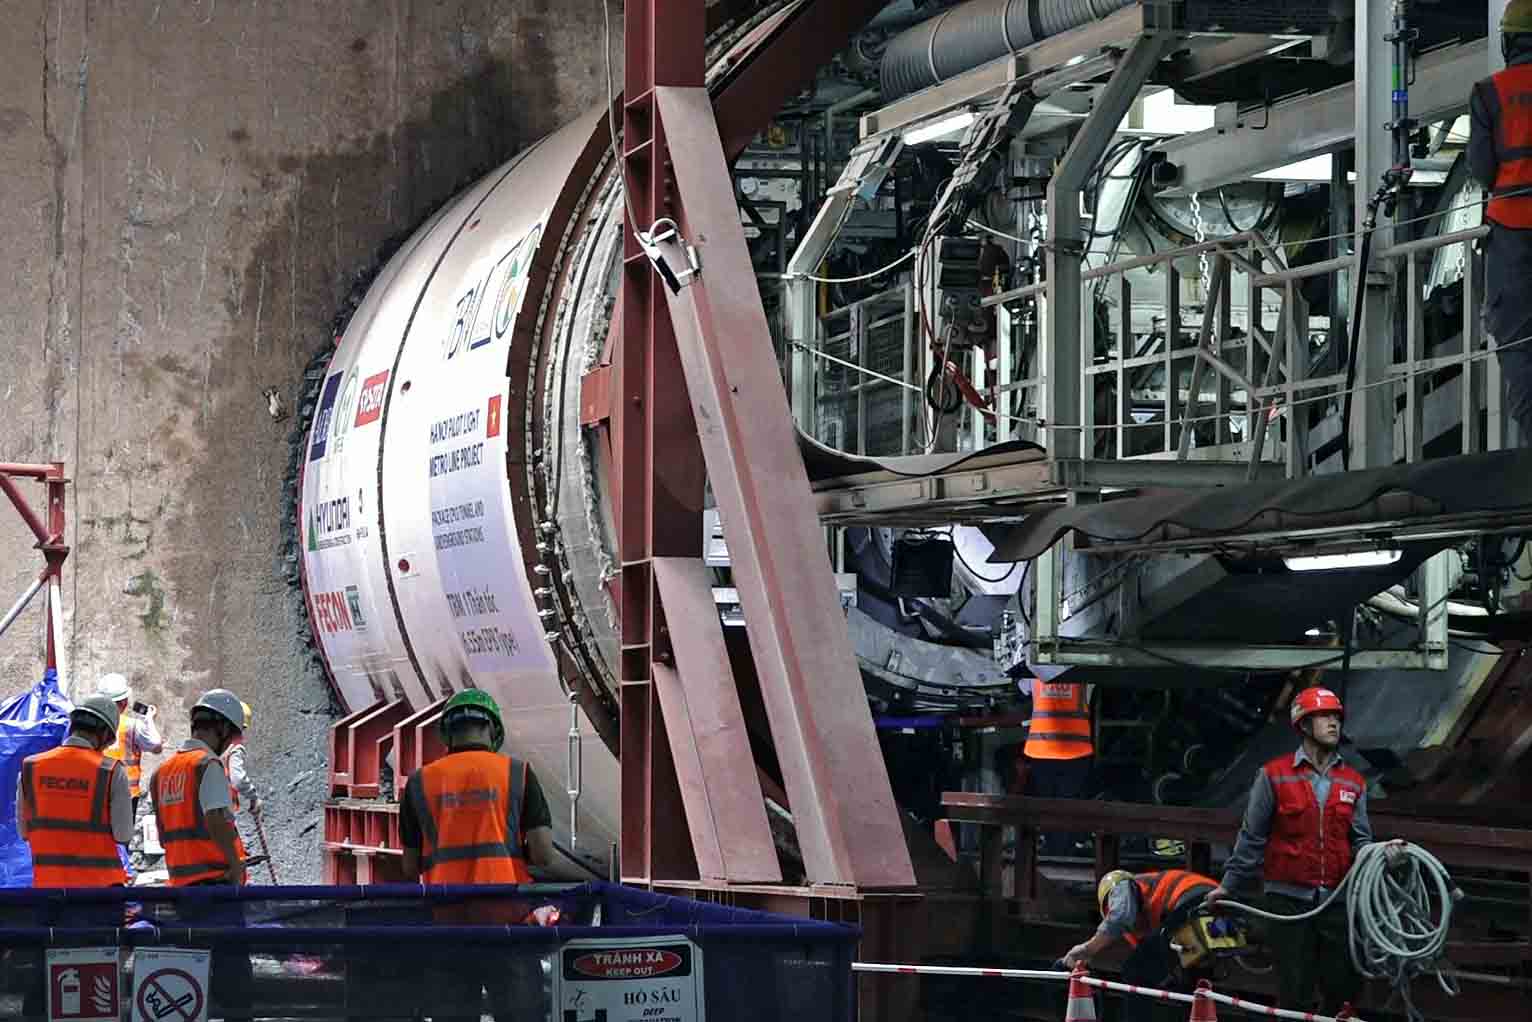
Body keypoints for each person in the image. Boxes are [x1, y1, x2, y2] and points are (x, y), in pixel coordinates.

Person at [1206, 687, 1402, 1014]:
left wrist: (1382, 853)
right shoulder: (1274, 776)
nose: (1333, 724)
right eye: (1324, 717)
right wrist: (1229, 886)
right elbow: (1251, 837)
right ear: (1304, 726)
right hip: (1287, 902)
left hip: (1337, 901)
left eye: (1336, 717)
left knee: (1344, 991)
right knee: (1295, 992)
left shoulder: (1353, 781)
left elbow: (1361, 840)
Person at [399, 690, 563, 1022]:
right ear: (492, 729)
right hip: (508, 925)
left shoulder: (419, 783)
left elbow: (409, 866)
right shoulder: (517, 773)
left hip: (448, 926)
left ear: (447, 733)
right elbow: (545, 855)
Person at [16, 696, 133, 1020]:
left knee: (44, 978)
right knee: (96, 986)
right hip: (98, 900)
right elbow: (123, 834)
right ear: (106, 735)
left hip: (48, 896)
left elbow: (25, 832)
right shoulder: (111, 771)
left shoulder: (31, 767)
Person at [147, 689, 252, 1022]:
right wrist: (236, 870)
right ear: (219, 728)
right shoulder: (207, 765)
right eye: (230, 734)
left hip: (182, 891)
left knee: (191, 979)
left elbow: (165, 834)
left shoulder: (161, 773)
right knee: (234, 983)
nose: (228, 743)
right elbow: (218, 820)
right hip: (218, 890)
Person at [1470, 0, 1532, 445]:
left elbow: (1481, 170)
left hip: (1511, 232)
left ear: (1509, 40)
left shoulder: (1490, 92)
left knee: (1519, 346)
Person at [1063, 869, 1219, 1022]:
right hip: (1214, 908)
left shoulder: (1120, 884)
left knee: (1135, 973)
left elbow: (1120, 918)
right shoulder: (1149, 922)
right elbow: (1149, 951)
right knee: (1193, 987)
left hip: (1197, 902)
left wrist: (1088, 949)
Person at [1020, 677, 1094, 854]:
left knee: (1046, 806)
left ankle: (1051, 848)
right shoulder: (1084, 676)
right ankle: (1064, 850)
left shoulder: (1033, 677)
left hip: (1042, 750)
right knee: (1069, 807)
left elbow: (1020, 687)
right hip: (1076, 751)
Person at [96, 672, 163, 813]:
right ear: (124, 702)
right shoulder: (132, 726)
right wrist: (149, 719)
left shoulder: (92, 724)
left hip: (98, 792)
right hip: (126, 795)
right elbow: (156, 746)